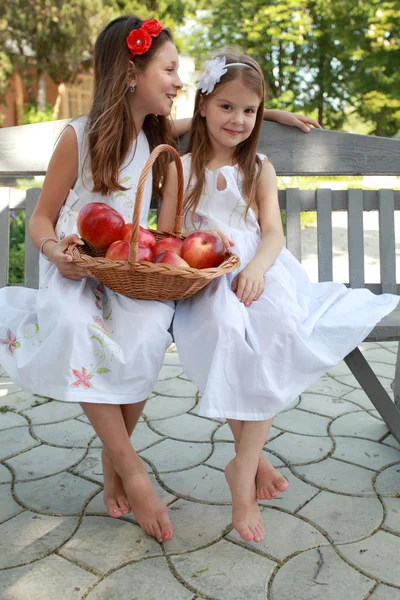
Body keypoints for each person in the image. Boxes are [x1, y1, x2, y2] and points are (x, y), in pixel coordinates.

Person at [0, 16, 319, 543]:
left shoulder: (154, 132)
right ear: (132, 74)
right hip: (80, 267)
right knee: (77, 325)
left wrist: (267, 111)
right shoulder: (78, 138)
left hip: (132, 271)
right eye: (169, 69)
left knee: (150, 328)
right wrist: (56, 253)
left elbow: (219, 115)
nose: (178, 81)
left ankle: (114, 462)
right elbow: (41, 218)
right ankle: (132, 470)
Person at [158, 50, 400, 544]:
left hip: (261, 271)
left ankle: (242, 472)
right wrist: (197, 266)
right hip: (204, 274)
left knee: (275, 330)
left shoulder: (259, 167)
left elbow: (272, 234)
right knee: (224, 331)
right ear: (203, 104)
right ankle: (254, 460)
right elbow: (166, 235)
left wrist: (257, 269)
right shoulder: (180, 168)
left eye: (250, 111)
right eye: (228, 107)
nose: (240, 120)